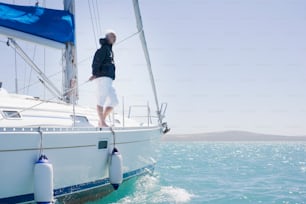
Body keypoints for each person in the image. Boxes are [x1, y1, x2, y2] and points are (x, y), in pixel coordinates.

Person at [89, 31, 118, 127]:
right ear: (107, 38)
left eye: (114, 37)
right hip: (102, 77)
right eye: (112, 36)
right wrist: (94, 73)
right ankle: (102, 122)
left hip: (108, 78)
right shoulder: (103, 49)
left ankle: (101, 121)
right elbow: (96, 61)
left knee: (114, 101)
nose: (114, 38)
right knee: (101, 99)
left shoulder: (109, 50)